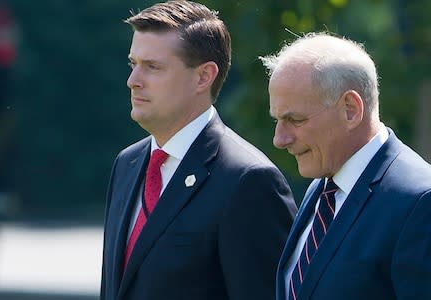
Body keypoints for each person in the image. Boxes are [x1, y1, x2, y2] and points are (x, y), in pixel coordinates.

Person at [100, 1, 297, 300]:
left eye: (153, 67)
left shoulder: (249, 181)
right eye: (133, 64)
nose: (133, 81)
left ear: (204, 77)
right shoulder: (127, 164)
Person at [260, 32, 431, 300]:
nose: (280, 139)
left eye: (295, 119)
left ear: (350, 109)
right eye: (277, 121)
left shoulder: (420, 202)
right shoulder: (323, 187)